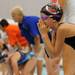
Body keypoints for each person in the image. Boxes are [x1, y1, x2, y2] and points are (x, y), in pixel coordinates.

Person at [38, 3, 75, 75]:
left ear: (54, 19)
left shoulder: (62, 29)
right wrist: (44, 35)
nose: (41, 20)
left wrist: (44, 34)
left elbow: (55, 54)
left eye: (44, 17)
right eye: (41, 17)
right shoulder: (54, 32)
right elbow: (52, 55)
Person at [11, 7, 44, 75]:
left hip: (41, 42)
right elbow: (27, 36)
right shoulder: (20, 24)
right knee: (32, 59)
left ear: (19, 15)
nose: (12, 18)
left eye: (13, 16)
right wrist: (29, 48)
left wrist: (37, 50)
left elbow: (37, 37)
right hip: (34, 43)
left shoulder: (29, 21)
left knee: (38, 58)